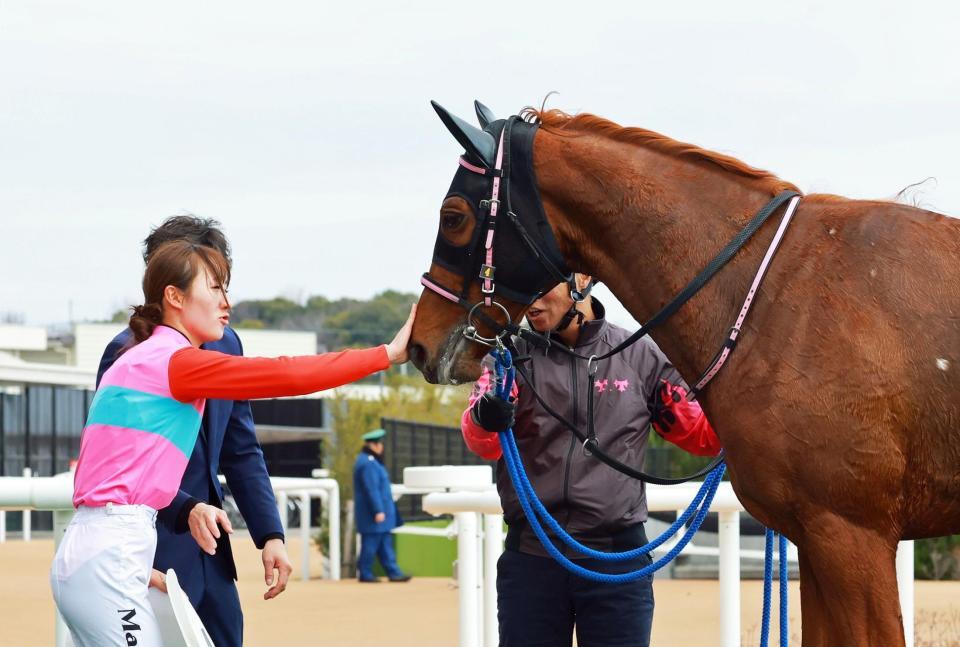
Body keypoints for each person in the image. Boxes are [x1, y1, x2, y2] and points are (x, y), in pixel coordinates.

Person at [51, 239, 415, 647]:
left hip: (104, 554)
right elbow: (288, 376)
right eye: (215, 288)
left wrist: (129, 563)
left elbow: (113, 474)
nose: (228, 302)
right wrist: (386, 354)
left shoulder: (138, 360)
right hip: (111, 557)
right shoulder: (174, 362)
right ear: (174, 296)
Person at [460, 274, 721, 647]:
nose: (529, 301)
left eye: (540, 285)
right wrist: (486, 418)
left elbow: (701, 435)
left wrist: (748, 408)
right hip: (533, 558)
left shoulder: (640, 355)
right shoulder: (509, 357)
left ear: (580, 280)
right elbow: (482, 441)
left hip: (617, 561)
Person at [95, 216, 284, 646]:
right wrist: (185, 508)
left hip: (213, 558)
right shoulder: (127, 353)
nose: (221, 296)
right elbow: (116, 465)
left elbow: (241, 448)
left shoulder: (227, 343)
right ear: (170, 287)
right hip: (151, 552)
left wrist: (270, 534)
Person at [352, 428, 411, 583]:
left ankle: (394, 572)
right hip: (374, 514)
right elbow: (371, 489)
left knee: (385, 544)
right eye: (380, 444)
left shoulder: (369, 461)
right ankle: (365, 573)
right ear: (374, 445)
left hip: (381, 514)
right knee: (370, 545)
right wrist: (378, 510)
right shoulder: (368, 463)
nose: (382, 447)